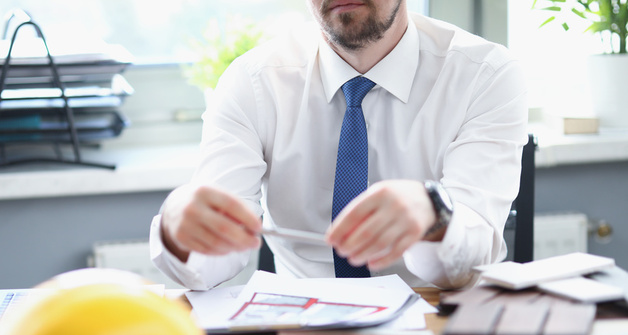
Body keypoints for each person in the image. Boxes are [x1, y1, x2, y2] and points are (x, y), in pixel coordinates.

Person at [150, 0, 527, 291]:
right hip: (303, 329)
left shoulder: (485, 75)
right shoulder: (252, 83)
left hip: (439, 323)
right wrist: (177, 229)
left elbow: (470, 261)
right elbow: (212, 260)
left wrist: (433, 213)